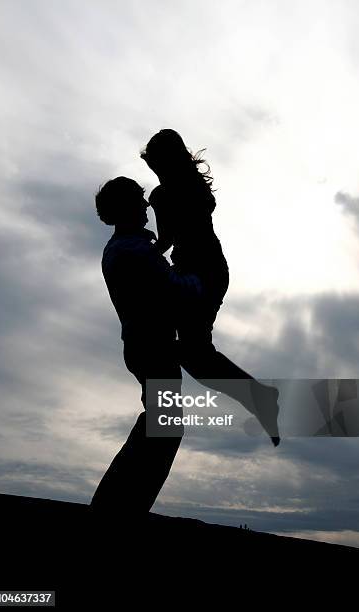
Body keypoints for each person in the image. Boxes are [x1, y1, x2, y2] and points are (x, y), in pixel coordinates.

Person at [141, 129, 280, 445]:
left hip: (198, 272)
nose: (153, 169)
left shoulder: (163, 195)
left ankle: (258, 396)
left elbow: (166, 240)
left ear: (164, 160)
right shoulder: (196, 188)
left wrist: (138, 253)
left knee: (192, 353)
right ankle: (257, 396)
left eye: (154, 162)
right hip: (214, 269)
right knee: (193, 353)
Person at [90, 176, 202, 518]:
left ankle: (120, 503)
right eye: (140, 198)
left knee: (161, 422)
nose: (147, 204)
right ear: (126, 207)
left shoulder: (127, 247)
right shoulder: (132, 250)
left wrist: (164, 248)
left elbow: (152, 272)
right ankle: (121, 506)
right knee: (165, 424)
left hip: (145, 346)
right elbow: (175, 288)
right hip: (152, 346)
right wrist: (200, 276)